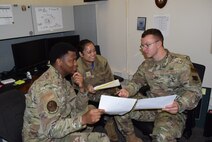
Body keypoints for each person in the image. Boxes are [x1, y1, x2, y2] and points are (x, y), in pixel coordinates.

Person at [115, 28, 202, 142]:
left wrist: (179, 104)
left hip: (171, 110)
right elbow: (136, 81)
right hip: (150, 105)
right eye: (142, 46)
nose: (143, 49)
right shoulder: (146, 64)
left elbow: (195, 91)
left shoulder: (183, 62)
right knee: (118, 105)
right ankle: (131, 138)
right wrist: (127, 91)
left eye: (147, 45)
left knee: (162, 136)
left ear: (159, 43)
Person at [22, 42, 110, 142]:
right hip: (44, 138)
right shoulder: (47, 88)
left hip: (57, 126)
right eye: (72, 61)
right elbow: (52, 130)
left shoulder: (63, 81)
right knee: (102, 139)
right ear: (59, 62)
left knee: (90, 109)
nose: (76, 64)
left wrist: (82, 89)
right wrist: (83, 119)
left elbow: (77, 107)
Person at [77, 39, 118, 141]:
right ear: (81, 54)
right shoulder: (77, 66)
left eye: (94, 50)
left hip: (105, 93)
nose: (93, 54)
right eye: (89, 52)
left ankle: (113, 135)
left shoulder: (102, 61)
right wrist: (86, 87)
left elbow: (110, 79)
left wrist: (116, 93)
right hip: (89, 97)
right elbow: (76, 87)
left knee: (116, 104)